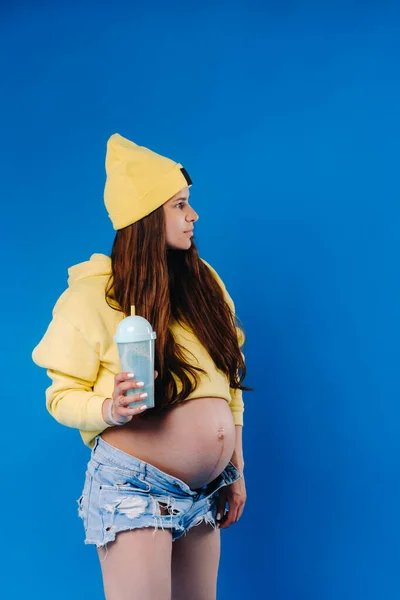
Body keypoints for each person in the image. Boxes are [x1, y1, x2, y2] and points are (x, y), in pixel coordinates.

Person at [32, 133, 252, 600]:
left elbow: (229, 384)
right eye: (179, 205)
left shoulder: (205, 285)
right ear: (147, 218)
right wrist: (109, 409)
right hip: (133, 488)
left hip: (205, 491)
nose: (193, 216)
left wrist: (236, 468)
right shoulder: (91, 297)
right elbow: (60, 394)